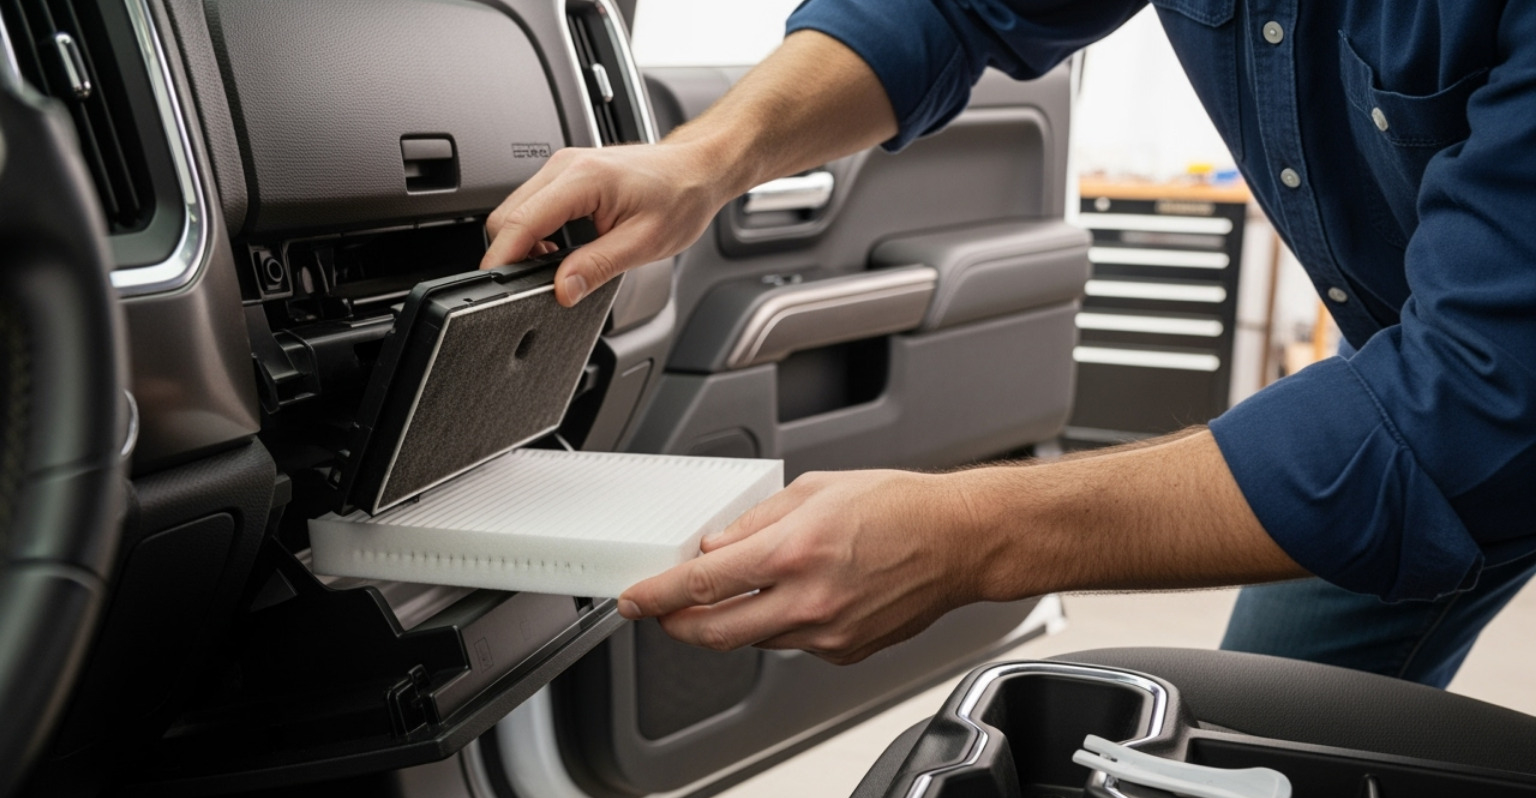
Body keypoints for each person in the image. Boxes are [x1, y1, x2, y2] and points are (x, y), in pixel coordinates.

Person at [480, 1, 1536, 684]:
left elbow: (1470, 414)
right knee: (1262, 747)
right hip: (1430, 374)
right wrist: (704, 159)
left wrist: (973, 534)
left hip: (1466, 389)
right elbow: (945, 12)